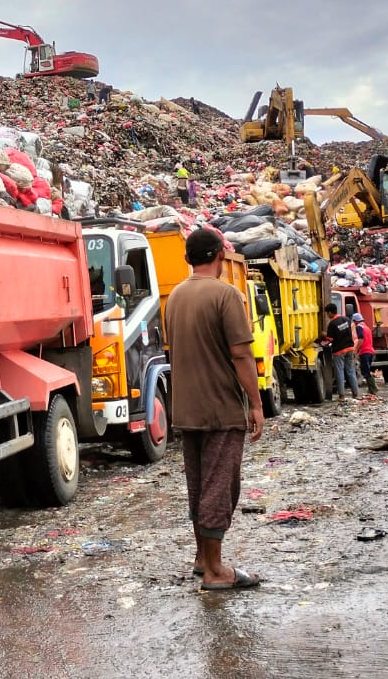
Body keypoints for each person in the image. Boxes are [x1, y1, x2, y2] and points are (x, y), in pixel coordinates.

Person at [164, 228, 264, 591]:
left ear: (189, 258)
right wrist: (255, 403)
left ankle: (201, 557)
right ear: (220, 255)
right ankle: (216, 570)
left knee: (200, 484)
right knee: (221, 487)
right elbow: (241, 353)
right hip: (220, 407)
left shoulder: (174, 297)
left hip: (186, 409)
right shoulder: (226, 295)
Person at [323, 304, 359, 400]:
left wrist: (324, 336)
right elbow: (352, 333)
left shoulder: (332, 324)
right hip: (350, 349)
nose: (327, 315)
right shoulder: (347, 320)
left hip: (339, 351)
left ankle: (342, 395)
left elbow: (330, 339)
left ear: (330, 312)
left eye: (327, 313)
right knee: (351, 371)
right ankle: (355, 393)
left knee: (339, 372)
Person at [353, 312, 377, 394]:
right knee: (367, 370)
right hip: (370, 351)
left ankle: (373, 389)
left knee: (365, 371)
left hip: (364, 352)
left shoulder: (359, 327)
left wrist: (356, 349)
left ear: (355, 321)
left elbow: (360, 340)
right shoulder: (367, 327)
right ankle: (371, 389)